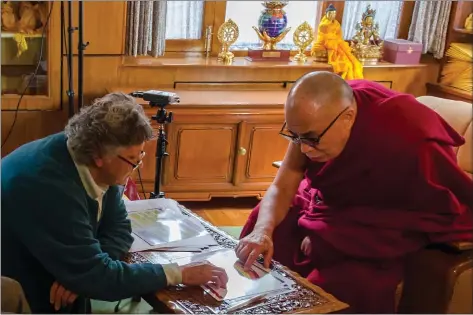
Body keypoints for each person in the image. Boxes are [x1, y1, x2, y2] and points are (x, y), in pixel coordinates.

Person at [235, 71, 473, 313]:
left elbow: (420, 212)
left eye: (312, 139)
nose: (304, 148)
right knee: (262, 226)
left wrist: (328, 233)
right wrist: (262, 232)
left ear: (348, 117)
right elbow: (283, 183)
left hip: (376, 228)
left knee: (340, 286)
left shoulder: (407, 135)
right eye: (296, 137)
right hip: (326, 203)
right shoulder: (314, 120)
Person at [1, 92, 228, 313]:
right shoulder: (50, 188)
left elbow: (119, 226)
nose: (137, 166)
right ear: (99, 156)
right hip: (21, 284)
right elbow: (101, 279)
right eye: (132, 159)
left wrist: (85, 272)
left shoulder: (86, 157)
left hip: (51, 266)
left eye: (141, 156)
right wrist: (178, 274)